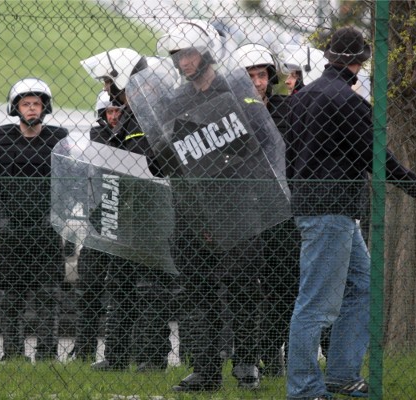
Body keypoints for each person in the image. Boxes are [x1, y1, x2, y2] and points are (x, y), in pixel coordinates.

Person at [285, 26, 416, 400]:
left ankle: (342, 374)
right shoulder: (348, 102)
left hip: (314, 206)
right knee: (315, 304)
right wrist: (413, 184)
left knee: (363, 288)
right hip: (333, 210)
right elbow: (373, 154)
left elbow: (286, 155)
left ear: (331, 57)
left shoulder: (301, 99)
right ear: (359, 63)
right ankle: (304, 388)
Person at [152, 20, 267, 392]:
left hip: (235, 206)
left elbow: (258, 143)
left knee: (242, 287)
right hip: (190, 209)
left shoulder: (234, 90)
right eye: (178, 55)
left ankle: (247, 362)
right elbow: (163, 159)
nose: (183, 62)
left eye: (189, 53)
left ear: (206, 53)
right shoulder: (177, 99)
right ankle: (205, 368)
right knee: (196, 290)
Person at [79, 48, 174, 372]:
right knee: (118, 285)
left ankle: (151, 358)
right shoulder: (130, 116)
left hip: (149, 214)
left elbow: (150, 164)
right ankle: (117, 356)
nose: (106, 88)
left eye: (109, 81)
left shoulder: (153, 113)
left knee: (150, 289)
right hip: (123, 213)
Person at [0, 78, 68, 362]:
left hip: (46, 228)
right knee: (11, 296)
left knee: (47, 294)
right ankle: (13, 353)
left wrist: (55, 216)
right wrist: (0, 216)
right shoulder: (1, 136)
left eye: (36, 104)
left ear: (45, 108)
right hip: (9, 229)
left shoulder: (58, 138)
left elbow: (70, 181)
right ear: (16, 108)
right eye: (26, 104)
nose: (31, 109)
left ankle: (47, 353)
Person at [234, 43, 301, 377]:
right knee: (244, 284)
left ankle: (272, 350)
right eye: (251, 76)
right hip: (245, 208)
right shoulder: (233, 113)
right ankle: (248, 356)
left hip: (281, 207)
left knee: (284, 283)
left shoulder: (286, 109)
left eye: (262, 75)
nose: (258, 82)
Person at [70, 91, 123, 361]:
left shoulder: (134, 140)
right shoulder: (93, 143)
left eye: (118, 111)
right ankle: (84, 350)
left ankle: (122, 351)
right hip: (98, 224)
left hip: (127, 225)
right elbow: (81, 182)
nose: (113, 117)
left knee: (123, 289)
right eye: (109, 112)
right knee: (89, 288)